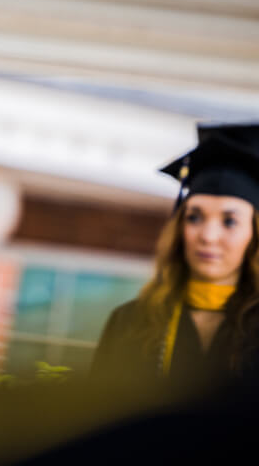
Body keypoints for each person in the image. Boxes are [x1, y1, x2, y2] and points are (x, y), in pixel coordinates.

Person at [91, 123, 259, 387]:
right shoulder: (130, 323)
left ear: (255, 234)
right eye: (194, 217)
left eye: (229, 221)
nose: (208, 235)